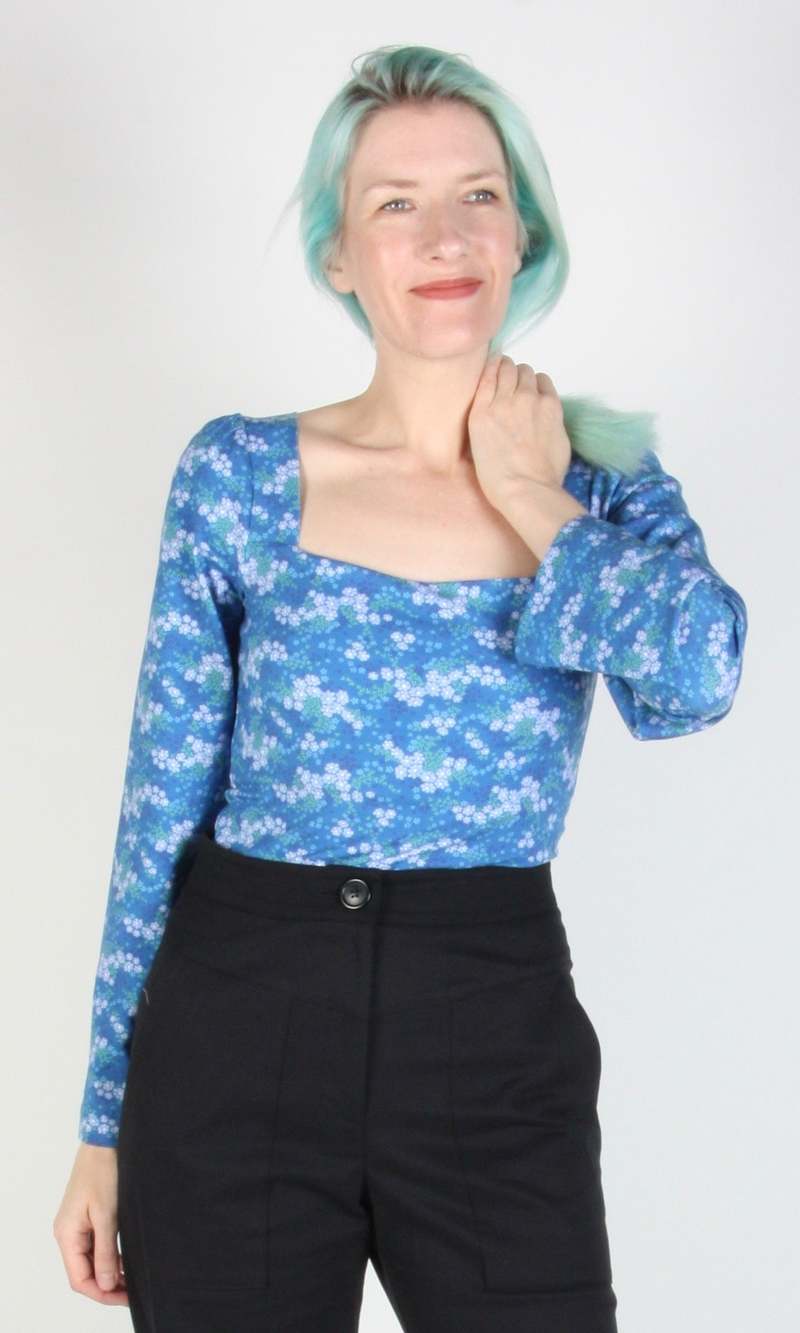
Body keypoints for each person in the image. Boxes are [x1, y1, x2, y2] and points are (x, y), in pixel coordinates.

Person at [53, 43, 748, 1331]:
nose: (444, 237)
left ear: (524, 230)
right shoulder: (239, 476)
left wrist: (532, 491)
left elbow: (700, 679)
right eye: (395, 203)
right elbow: (160, 807)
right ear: (338, 253)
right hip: (236, 1018)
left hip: (490, 1019)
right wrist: (103, 1123)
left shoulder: (601, 486)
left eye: (480, 194)